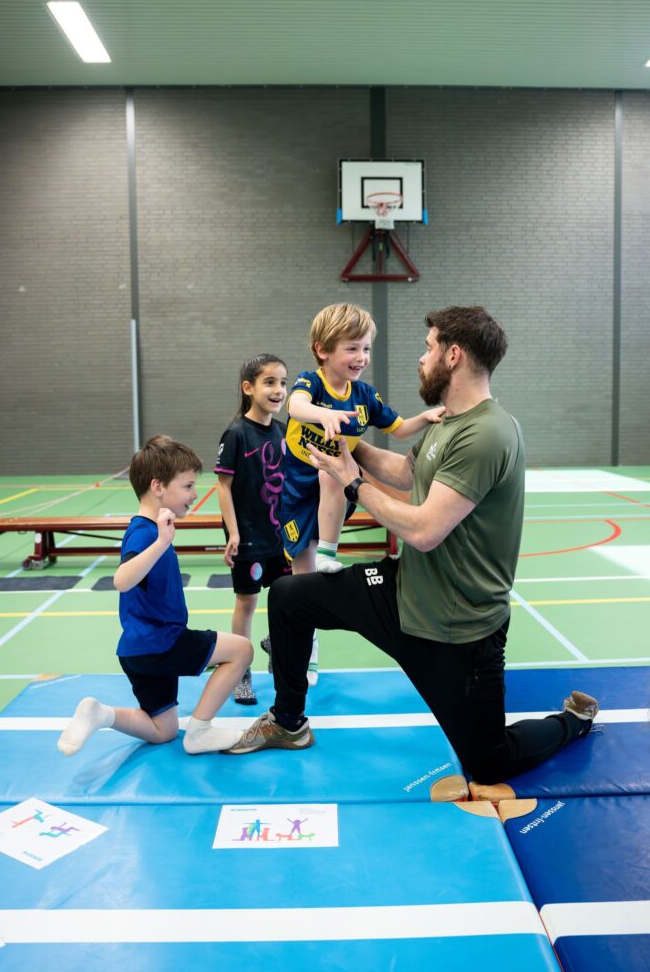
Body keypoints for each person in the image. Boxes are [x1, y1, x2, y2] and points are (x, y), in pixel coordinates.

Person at [225, 306, 599, 789]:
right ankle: (288, 721)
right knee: (291, 596)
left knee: (489, 763)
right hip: (405, 591)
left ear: (454, 354)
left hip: (457, 627)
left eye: (427, 348)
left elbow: (424, 530)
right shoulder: (446, 423)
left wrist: (353, 483)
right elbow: (403, 473)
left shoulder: (486, 433)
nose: (420, 359)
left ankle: (573, 720)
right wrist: (344, 441)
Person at [280, 302, 444, 685]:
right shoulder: (313, 383)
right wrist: (323, 415)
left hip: (329, 482)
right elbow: (296, 405)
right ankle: (310, 648)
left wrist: (429, 416)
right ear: (323, 349)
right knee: (299, 580)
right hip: (295, 489)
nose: (361, 357)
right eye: (352, 348)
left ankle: (328, 552)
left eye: (366, 348)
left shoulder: (365, 396)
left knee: (333, 474)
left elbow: (399, 429)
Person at [57, 435, 251, 758]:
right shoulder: (145, 533)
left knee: (164, 730)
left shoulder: (149, 528)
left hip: (138, 652)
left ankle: (101, 713)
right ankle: (200, 730)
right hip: (162, 643)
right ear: (158, 487)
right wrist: (161, 542)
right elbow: (121, 580)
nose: (194, 494)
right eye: (188, 486)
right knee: (241, 650)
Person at [215, 354, 290, 705]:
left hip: (280, 536)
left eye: (283, 383)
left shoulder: (283, 429)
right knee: (247, 602)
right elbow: (223, 487)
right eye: (270, 382)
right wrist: (233, 534)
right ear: (248, 388)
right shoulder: (235, 434)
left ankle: (277, 646)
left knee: (285, 597)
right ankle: (241, 671)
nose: (279, 390)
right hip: (248, 537)